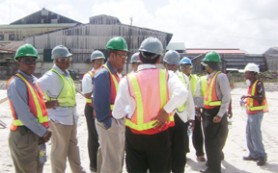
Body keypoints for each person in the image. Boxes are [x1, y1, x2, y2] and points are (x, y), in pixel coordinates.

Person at [112, 37, 187, 173]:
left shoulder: (127, 80)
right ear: (159, 59)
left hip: (134, 138)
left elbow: (117, 113)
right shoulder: (168, 76)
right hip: (159, 136)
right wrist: (165, 111)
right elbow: (182, 93)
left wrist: (130, 108)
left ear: (140, 56)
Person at [38, 45, 86, 173]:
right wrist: (45, 104)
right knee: (59, 150)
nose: (67, 62)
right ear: (56, 60)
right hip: (59, 119)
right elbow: (33, 90)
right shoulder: (51, 77)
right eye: (63, 59)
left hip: (70, 118)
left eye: (67, 59)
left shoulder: (66, 75)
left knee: (73, 148)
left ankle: (78, 170)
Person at [7, 44, 52, 173]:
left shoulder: (33, 81)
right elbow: (24, 114)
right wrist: (43, 132)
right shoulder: (17, 83)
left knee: (39, 168)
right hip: (24, 135)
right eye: (27, 60)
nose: (31, 63)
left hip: (37, 134)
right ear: (19, 62)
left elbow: (36, 105)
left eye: (33, 60)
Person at [93, 36, 128, 173]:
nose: (124, 58)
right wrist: (108, 124)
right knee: (113, 162)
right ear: (112, 55)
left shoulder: (115, 74)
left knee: (108, 157)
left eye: (125, 55)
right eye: (121, 55)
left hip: (115, 120)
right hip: (110, 122)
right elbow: (100, 104)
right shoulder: (103, 74)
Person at [163, 50, 195, 172]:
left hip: (176, 119)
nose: (171, 67)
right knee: (172, 151)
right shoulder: (161, 77)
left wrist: (191, 117)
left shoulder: (182, 78)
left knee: (176, 152)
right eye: (170, 65)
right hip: (172, 119)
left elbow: (189, 98)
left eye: (173, 65)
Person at [200, 51, 230, 173]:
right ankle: (212, 166)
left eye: (206, 65)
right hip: (208, 112)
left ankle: (213, 169)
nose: (204, 67)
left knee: (212, 142)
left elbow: (226, 97)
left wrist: (219, 114)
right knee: (210, 141)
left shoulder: (220, 76)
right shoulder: (210, 77)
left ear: (210, 65)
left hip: (215, 113)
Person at [81, 50, 105, 172]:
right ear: (93, 62)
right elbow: (87, 95)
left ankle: (101, 163)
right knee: (93, 137)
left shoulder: (105, 74)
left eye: (102, 61)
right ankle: (93, 165)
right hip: (92, 109)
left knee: (102, 137)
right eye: (98, 61)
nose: (100, 63)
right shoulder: (88, 76)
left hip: (102, 109)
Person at [179, 56, 206, 162]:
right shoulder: (177, 78)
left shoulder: (196, 79)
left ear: (191, 67)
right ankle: (184, 152)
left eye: (187, 66)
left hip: (194, 109)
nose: (185, 68)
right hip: (181, 110)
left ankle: (200, 153)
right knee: (182, 133)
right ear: (180, 67)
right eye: (183, 66)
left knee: (197, 132)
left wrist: (198, 107)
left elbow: (199, 94)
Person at [241, 63, 268, 166]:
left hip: (257, 113)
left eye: (246, 73)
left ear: (252, 73)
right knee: (249, 134)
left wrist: (249, 96)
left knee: (256, 134)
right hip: (250, 112)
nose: (245, 75)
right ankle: (253, 154)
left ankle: (262, 155)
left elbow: (261, 97)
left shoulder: (258, 83)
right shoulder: (251, 84)